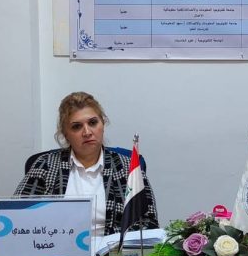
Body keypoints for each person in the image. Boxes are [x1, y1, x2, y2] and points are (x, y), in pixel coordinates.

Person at [14, 91, 158, 237]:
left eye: (93, 123)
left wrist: (109, 242)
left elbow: (148, 223)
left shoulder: (127, 167)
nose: (87, 132)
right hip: (57, 248)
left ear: (103, 124)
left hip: (113, 250)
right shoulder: (45, 165)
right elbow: (17, 218)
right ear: (65, 134)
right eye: (76, 126)